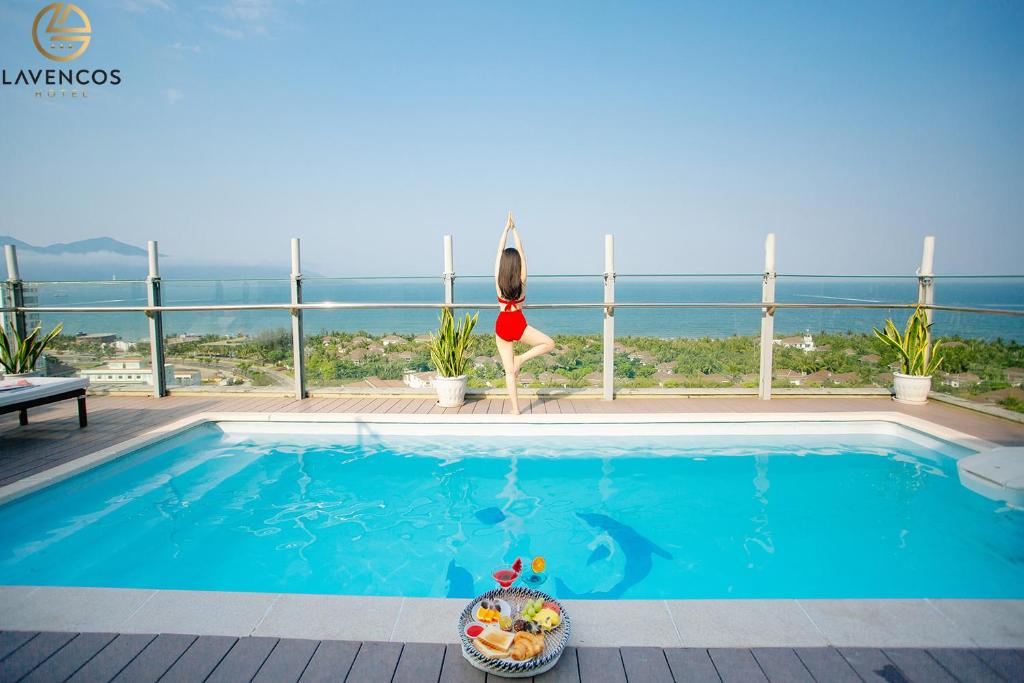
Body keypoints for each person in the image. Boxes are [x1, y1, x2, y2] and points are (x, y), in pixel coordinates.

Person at [494, 212, 555, 414]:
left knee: (509, 372)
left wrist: (505, 229)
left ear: (503, 266)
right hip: (519, 326)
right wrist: (515, 230)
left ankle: (515, 410)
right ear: (518, 265)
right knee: (549, 343)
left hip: (502, 326)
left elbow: (499, 251)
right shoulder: (522, 282)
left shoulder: (498, 283)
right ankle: (522, 359)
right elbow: (521, 250)